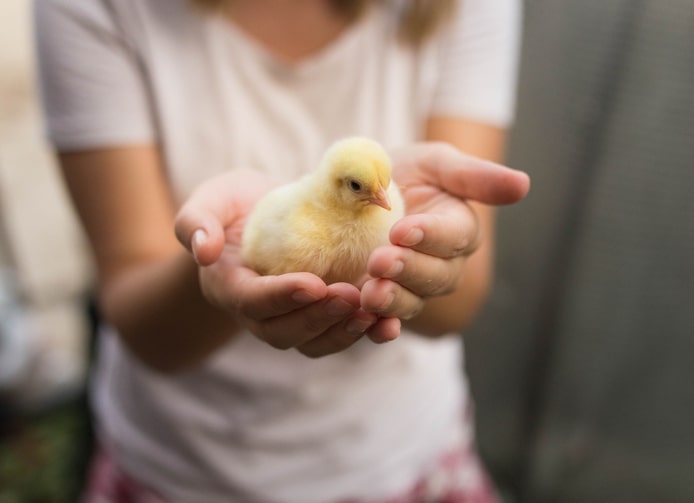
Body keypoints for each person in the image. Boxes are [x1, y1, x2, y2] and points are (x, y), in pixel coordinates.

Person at [35, 0, 528, 501]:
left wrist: (434, 256)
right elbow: (143, 319)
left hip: (401, 448)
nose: (383, 199)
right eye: (363, 188)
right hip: (188, 465)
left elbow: (460, 302)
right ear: (338, 185)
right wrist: (209, 265)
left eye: (381, 188)